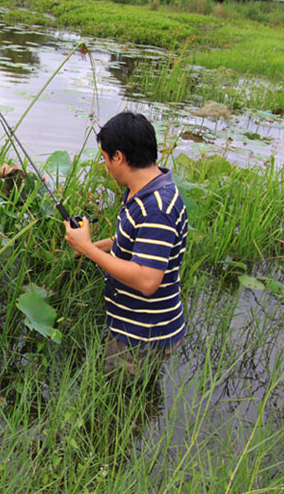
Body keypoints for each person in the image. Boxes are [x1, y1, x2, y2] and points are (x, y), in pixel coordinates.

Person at [63, 112, 187, 380]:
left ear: (118, 156)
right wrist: (92, 244)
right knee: (127, 395)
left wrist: (88, 250)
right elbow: (132, 241)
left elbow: (146, 280)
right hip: (131, 324)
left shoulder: (158, 209)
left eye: (105, 158)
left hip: (143, 334)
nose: (106, 165)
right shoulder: (140, 191)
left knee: (119, 404)